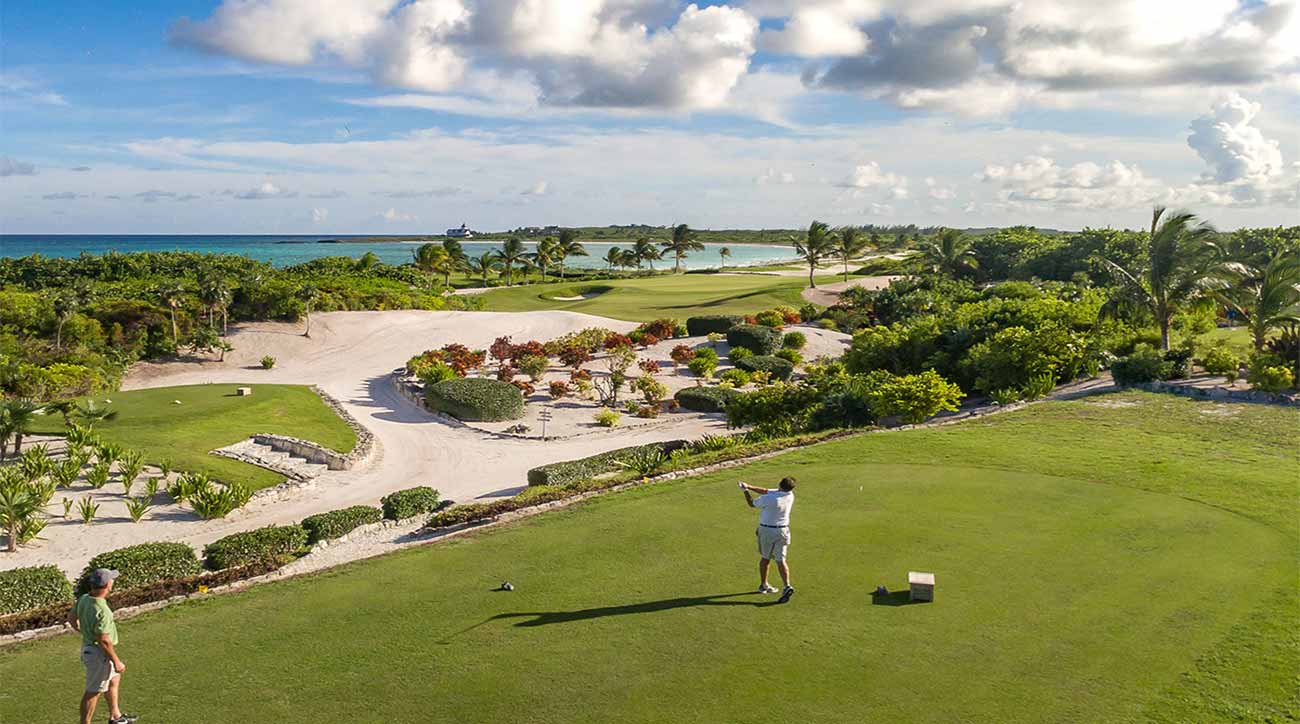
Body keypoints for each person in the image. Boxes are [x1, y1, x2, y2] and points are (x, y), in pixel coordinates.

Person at [66, 568, 137, 724]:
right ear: (108, 585)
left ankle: (115, 716)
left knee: (114, 679)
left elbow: (71, 618)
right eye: (112, 579)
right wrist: (117, 661)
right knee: (93, 692)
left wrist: (84, 632)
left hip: (91, 649)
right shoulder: (102, 610)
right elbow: (103, 640)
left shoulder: (84, 598)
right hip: (99, 654)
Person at [739, 477, 796, 603]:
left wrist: (745, 491)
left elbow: (751, 503)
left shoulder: (768, 498)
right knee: (781, 560)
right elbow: (766, 490)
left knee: (765, 558)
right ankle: (787, 586)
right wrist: (749, 485)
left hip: (767, 531)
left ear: (779, 484)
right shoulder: (790, 495)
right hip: (783, 531)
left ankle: (763, 585)